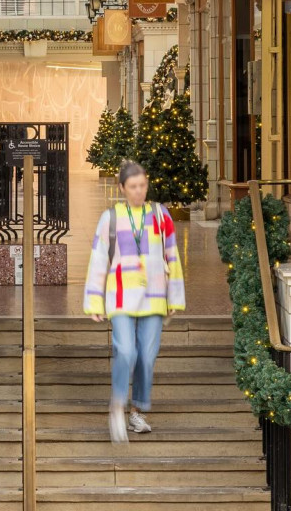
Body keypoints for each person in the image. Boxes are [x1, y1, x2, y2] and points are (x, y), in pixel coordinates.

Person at [84, 159, 186, 444]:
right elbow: (98, 259)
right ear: (122, 188)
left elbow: (172, 255)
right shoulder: (110, 218)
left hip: (154, 296)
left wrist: (175, 295)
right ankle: (117, 405)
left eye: (142, 185)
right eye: (133, 186)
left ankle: (136, 411)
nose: (139, 191)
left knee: (147, 356)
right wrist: (94, 301)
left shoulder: (161, 214)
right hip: (120, 296)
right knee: (126, 350)